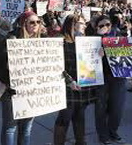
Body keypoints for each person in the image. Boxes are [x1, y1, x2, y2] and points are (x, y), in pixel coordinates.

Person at [0, 11, 42, 145]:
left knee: (26, 129)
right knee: (10, 128)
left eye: (38, 22)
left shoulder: (42, 41)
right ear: (23, 23)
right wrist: (12, 82)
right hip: (13, 91)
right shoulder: (12, 39)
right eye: (32, 22)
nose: (35, 25)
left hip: (33, 92)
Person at [54, 14, 97, 145]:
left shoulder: (85, 41)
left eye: (84, 23)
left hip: (83, 84)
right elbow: (55, 65)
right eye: (81, 23)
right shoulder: (60, 40)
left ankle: (80, 142)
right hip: (68, 85)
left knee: (80, 115)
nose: (84, 26)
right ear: (71, 24)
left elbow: (91, 64)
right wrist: (68, 81)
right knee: (65, 117)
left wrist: (98, 54)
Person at [94, 15, 127, 145]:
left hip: (118, 77)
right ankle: (103, 135)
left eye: (107, 24)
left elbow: (129, 53)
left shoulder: (119, 36)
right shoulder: (92, 39)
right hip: (101, 77)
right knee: (101, 108)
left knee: (117, 107)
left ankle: (113, 132)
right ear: (96, 27)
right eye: (101, 25)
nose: (105, 28)